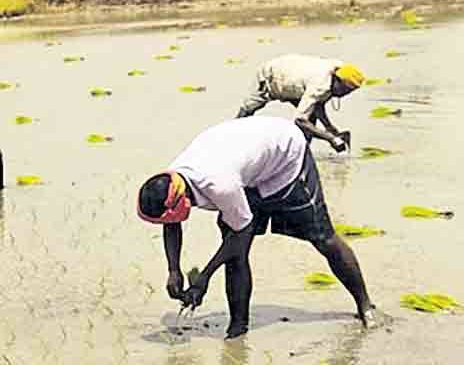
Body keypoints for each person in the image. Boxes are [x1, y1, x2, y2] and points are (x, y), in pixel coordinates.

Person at [137, 116, 375, 340]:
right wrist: (173, 270)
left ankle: (365, 305)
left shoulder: (219, 185)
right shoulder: (172, 177)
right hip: (250, 165)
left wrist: (204, 279)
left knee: (322, 237)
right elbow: (171, 224)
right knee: (236, 255)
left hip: (286, 157)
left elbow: (240, 233)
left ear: (182, 204)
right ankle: (237, 328)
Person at [237, 55, 366, 153]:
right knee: (247, 111)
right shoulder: (320, 84)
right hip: (273, 76)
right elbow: (299, 120)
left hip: (295, 77)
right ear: (337, 80)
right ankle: (233, 139)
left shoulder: (338, 71)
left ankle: (302, 153)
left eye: (349, 92)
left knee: (311, 117)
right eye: (344, 89)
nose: (344, 94)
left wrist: (331, 128)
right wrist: (331, 138)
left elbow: (318, 103)